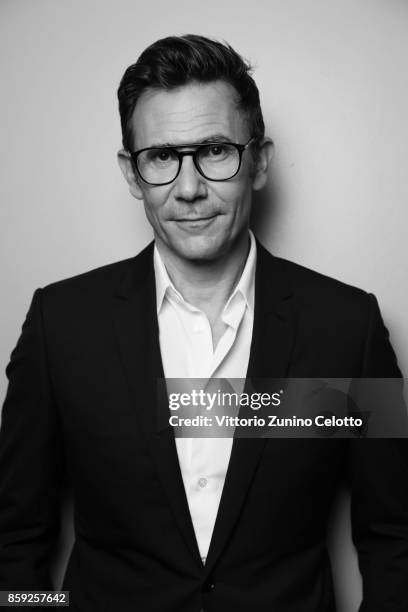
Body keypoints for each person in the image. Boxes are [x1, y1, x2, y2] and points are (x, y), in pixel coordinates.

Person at [0, 34, 407, 612]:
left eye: (215, 151)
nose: (189, 189)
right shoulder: (60, 326)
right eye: (162, 157)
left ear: (259, 161)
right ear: (132, 172)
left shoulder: (348, 327)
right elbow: (14, 539)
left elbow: (396, 536)